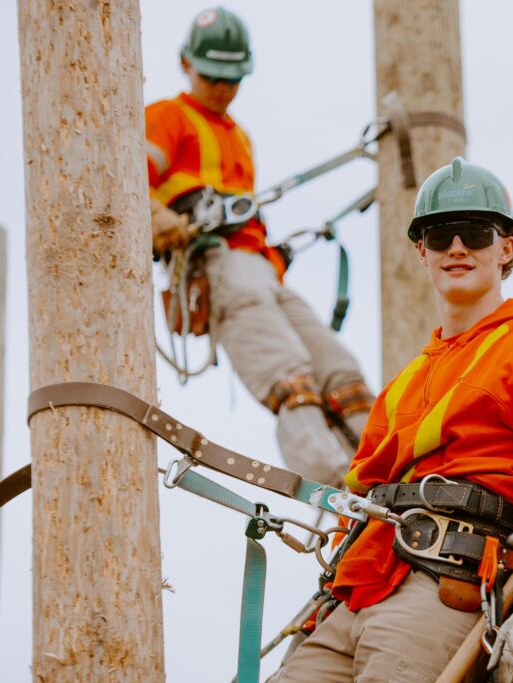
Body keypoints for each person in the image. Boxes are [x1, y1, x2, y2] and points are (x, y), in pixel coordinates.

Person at [273, 158, 513, 683]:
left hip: (444, 593)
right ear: (421, 251)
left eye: (475, 233)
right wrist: (330, 596)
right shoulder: (402, 386)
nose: (457, 247)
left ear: (506, 248)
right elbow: (358, 499)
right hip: (360, 595)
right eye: (440, 233)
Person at [144, 7, 374, 486]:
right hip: (220, 266)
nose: (223, 88)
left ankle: (388, 472)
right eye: (212, 76)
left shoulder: (239, 137)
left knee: (342, 375)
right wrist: (158, 216)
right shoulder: (168, 117)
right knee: (291, 380)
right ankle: (339, 490)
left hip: (261, 269)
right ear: (186, 64)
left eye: (232, 78)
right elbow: (125, 182)